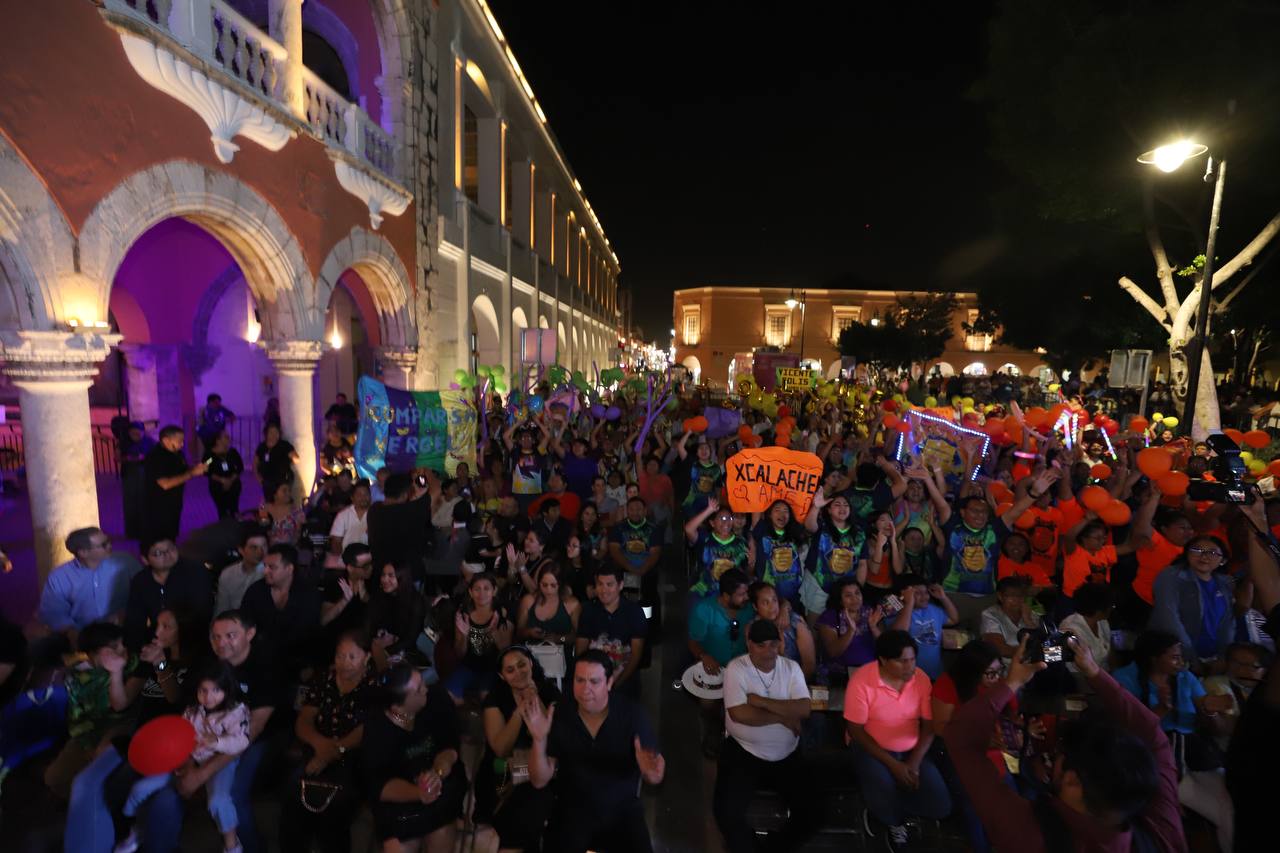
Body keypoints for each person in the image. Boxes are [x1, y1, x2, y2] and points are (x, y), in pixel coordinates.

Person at [945, 634, 1184, 853]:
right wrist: (1093, 671)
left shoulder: (1027, 833)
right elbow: (1154, 735)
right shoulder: (1161, 829)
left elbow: (961, 737)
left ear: (1072, 780)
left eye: (1062, 755)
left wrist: (1012, 683)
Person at [526, 650, 666, 853]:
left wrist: (650, 772)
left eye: (594, 681)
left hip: (621, 810)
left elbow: (655, 775)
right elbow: (539, 780)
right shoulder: (560, 713)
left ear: (609, 683)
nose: (585, 690)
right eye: (580, 680)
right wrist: (539, 740)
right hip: (572, 810)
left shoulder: (632, 714)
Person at [114, 661, 250, 853]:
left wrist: (217, 742)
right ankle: (138, 830)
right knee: (140, 789)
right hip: (188, 760)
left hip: (220, 763)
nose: (208, 697)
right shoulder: (192, 710)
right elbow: (181, 735)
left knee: (219, 801)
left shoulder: (236, 711)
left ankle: (232, 845)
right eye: (203, 690)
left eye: (216, 690)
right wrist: (181, 758)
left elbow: (242, 741)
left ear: (227, 689)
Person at [714, 619, 814, 853]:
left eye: (772, 645)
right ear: (749, 644)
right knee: (726, 813)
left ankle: (774, 848)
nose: (768, 651)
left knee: (811, 813)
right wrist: (783, 717)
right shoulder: (736, 669)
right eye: (761, 645)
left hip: (787, 754)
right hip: (743, 751)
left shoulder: (791, 668)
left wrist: (760, 702)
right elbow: (739, 714)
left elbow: (803, 709)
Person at [843, 630, 950, 848]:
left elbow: (929, 725)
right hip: (871, 748)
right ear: (883, 660)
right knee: (884, 784)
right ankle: (892, 820)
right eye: (902, 662)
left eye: (912, 660)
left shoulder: (920, 678)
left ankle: (881, 809)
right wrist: (894, 765)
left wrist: (914, 763)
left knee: (942, 806)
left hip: (910, 750)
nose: (910, 667)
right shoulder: (862, 680)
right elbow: (855, 730)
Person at [279, 630, 378, 853]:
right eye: (340, 656)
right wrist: (320, 746)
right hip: (316, 749)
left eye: (352, 657)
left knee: (336, 806)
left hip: (352, 757)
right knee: (292, 796)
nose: (345, 663)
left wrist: (333, 752)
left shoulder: (374, 686)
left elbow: (366, 730)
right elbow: (304, 720)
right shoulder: (324, 679)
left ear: (367, 657)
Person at [360, 663, 464, 852]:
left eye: (423, 681)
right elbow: (379, 786)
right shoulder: (376, 728)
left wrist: (437, 772)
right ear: (398, 706)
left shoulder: (436, 699)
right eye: (418, 689)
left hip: (439, 789)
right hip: (399, 799)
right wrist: (418, 793)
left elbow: (450, 747)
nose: (426, 688)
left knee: (441, 834)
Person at [473, 646, 560, 852]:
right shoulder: (495, 699)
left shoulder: (549, 692)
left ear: (531, 663)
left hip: (542, 769)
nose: (518, 672)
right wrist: (520, 711)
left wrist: (534, 699)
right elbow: (501, 748)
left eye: (522, 664)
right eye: (510, 670)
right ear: (502, 676)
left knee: (538, 797)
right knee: (524, 807)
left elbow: (552, 738)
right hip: (503, 774)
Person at [44, 622, 145, 799]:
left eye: (122, 644)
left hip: (120, 727)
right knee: (54, 779)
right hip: (86, 734)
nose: (122, 650)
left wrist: (116, 672)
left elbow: (119, 705)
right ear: (93, 654)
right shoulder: (76, 677)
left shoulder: (132, 665)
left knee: (100, 770)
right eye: (114, 648)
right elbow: (77, 716)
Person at [1150, 535, 1236, 671]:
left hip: (1214, 659)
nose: (1204, 556)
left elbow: (1227, 624)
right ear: (1187, 553)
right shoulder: (1171, 576)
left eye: (1212, 552)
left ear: (1223, 560)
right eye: (1197, 550)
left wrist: (1224, 657)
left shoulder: (1224, 583)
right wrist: (1190, 658)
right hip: (1178, 658)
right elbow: (1168, 617)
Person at [239, 544, 321, 679]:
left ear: (289, 569)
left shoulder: (308, 594)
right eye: (264, 566)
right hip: (260, 663)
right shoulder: (256, 591)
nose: (265, 571)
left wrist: (309, 665)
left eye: (272, 567)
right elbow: (244, 625)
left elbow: (312, 633)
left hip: (296, 665)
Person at [39, 527, 134, 642]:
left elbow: (144, 590)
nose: (110, 546)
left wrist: (125, 614)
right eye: (103, 545)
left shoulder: (125, 562)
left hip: (123, 630)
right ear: (83, 552)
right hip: (81, 636)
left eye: (109, 541)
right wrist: (76, 636)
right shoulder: (59, 577)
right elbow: (54, 614)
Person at [123, 537, 211, 650]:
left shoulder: (195, 571)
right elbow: (135, 619)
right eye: (158, 553)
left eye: (171, 549)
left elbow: (202, 612)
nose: (167, 555)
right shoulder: (141, 581)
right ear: (145, 559)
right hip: (157, 636)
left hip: (192, 636)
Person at [575, 565, 648, 697]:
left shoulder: (635, 612)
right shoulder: (588, 611)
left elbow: (636, 655)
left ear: (620, 585)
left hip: (625, 678)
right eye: (600, 584)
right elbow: (581, 650)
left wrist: (616, 683)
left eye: (609, 584)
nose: (604, 590)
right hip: (593, 677)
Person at [446, 572, 513, 702]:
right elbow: (459, 654)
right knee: (450, 697)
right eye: (477, 589)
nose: (481, 593)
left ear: (494, 591)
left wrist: (494, 633)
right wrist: (464, 636)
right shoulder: (463, 614)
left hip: (492, 668)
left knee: (486, 698)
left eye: (486, 588)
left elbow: (507, 653)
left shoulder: (502, 613)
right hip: (468, 667)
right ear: (470, 592)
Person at [144, 425, 207, 545]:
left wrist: (194, 468)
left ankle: (170, 552)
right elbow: (165, 484)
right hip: (159, 504)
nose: (182, 444)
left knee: (172, 531)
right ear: (166, 440)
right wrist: (191, 474)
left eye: (183, 441)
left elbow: (182, 470)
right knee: (159, 536)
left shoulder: (177, 453)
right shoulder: (155, 457)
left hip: (175, 500)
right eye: (179, 441)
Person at [366, 472, 434, 580]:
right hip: (407, 575)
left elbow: (405, 507)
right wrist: (421, 493)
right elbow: (424, 504)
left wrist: (414, 495)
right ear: (404, 495)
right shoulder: (412, 511)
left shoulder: (374, 510)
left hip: (381, 573)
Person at [890, 574, 959, 680]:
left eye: (926, 592)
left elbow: (954, 619)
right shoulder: (898, 613)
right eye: (917, 593)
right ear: (904, 595)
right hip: (910, 676)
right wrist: (909, 603)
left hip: (935, 673)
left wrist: (943, 598)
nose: (924, 596)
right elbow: (899, 635)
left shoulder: (933, 610)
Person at [685, 497, 754, 601]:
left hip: (731, 596)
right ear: (712, 523)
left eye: (729, 518)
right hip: (704, 592)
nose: (726, 522)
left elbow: (747, 573)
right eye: (722, 518)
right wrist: (709, 510)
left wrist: (751, 564)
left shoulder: (741, 543)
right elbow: (688, 529)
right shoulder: (705, 539)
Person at [816, 576, 885, 679]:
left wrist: (874, 627)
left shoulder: (870, 612)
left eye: (857, 593)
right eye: (848, 595)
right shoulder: (830, 617)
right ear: (839, 600)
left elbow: (885, 647)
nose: (855, 598)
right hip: (840, 674)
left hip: (871, 670)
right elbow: (833, 652)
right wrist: (850, 631)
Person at [748, 581, 816, 680]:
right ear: (755, 606)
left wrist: (793, 687)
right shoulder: (753, 627)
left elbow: (809, 664)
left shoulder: (795, 623)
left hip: (797, 682)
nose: (772, 607)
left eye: (774, 600)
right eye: (765, 602)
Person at [367, 562, 426, 672]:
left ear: (402, 577)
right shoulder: (379, 595)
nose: (385, 579)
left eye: (390, 575)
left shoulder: (415, 602)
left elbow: (411, 638)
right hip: (383, 643)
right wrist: (379, 631)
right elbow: (372, 622)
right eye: (383, 575)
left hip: (404, 649)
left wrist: (386, 650)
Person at [803, 491, 865, 595]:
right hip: (818, 586)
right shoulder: (822, 526)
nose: (842, 508)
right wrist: (816, 507)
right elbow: (809, 526)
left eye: (846, 505)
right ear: (829, 510)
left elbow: (862, 564)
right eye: (837, 504)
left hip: (846, 591)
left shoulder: (859, 533)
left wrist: (857, 590)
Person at [752, 499, 807, 607]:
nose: (782, 514)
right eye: (777, 510)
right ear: (769, 515)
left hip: (793, 595)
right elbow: (756, 504)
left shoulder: (795, 534)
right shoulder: (762, 531)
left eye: (785, 511)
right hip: (768, 596)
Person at [319, 543, 374, 650]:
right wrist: (344, 600)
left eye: (371, 563)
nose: (371, 568)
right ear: (350, 568)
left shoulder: (373, 580)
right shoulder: (336, 583)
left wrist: (366, 598)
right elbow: (324, 620)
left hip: (363, 641)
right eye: (365, 566)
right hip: (337, 641)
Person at [607, 496, 662, 600]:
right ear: (627, 511)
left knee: (649, 594)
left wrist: (642, 570)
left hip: (646, 570)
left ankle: (647, 615)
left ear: (645, 511)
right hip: (624, 569)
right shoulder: (618, 528)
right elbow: (614, 551)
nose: (635, 513)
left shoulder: (654, 529)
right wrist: (631, 569)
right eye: (632, 509)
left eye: (638, 509)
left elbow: (655, 553)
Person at [978, 576, 1042, 663]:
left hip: (1033, 666)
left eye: (1020, 596)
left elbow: (1042, 641)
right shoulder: (990, 615)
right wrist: (1032, 653)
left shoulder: (1031, 614)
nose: (1016, 600)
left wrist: (1028, 620)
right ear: (1000, 596)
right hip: (1004, 669)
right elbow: (1000, 649)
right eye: (1011, 596)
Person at [1059, 583, 1115, 676]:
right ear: (1099, 610)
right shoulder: (1070, 629)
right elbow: (1077, 672)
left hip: (1104, 677)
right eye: (1111, 606)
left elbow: (1111, 654)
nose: (1112, 609)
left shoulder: (1102, 622)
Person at [215, 529, 268, 614]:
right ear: (241, 550)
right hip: (234, 622)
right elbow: (222, 609)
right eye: (254, 548)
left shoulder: (270, 573)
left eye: (264, 546)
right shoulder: (228, 574)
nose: (260, 552)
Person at [205, 430, 245, 520]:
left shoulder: (232, 452)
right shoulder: (210, 456)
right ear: (217, 440)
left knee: (234, 509)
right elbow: (206, 470)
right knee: (222, 510)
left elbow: (240, 467)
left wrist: (230, 480)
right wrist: (222, 480)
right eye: (226, 437)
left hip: (234, 484)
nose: (229, 439)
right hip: (217, 485)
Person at [328, 478, 372, 557]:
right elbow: (336, 542)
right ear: (352, 498)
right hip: (348, 560)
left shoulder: (377, 514)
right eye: (359, 495)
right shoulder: (343, 515)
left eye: (366, 494)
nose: (363, 498)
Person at [257, 481, 306, 547]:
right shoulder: (264, 507)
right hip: (268, 549)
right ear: (275, 493)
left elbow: (299, 534)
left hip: (290, 549)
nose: (288, 493)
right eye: (284, 491)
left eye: (289, 491)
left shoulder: (296, 512)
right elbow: (262, 529)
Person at [253, 422, 298, 490]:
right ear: (267, 434)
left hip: (282, 481)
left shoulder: (284, 445)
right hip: (267, 481)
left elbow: (296, 458)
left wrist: (290, 460)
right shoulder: (262, 447)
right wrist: (259, 479)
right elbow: (255, 464)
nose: (274, 435)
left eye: (276, 432)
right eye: (271, 432)